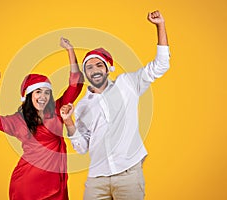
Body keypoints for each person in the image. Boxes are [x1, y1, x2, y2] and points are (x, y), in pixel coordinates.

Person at [60, 10, 170, 200]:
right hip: (97, 179)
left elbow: (161, 65)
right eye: (89, 67)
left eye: (99, 65)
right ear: (85, 73)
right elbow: (82, 147)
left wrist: (160, 25)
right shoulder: (82, 106)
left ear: (108, 69)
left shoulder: (127, 84)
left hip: (129, 175)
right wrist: (68, 122)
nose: (94, 70)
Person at [0, 37, 84, 200]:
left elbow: (75, 84)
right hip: (27, 182)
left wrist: (70, 50)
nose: (43, 96)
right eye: (38, 92)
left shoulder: (57, 109)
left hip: (55, 182)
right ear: (29, 95)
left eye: (46, 92)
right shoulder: (18, 120)